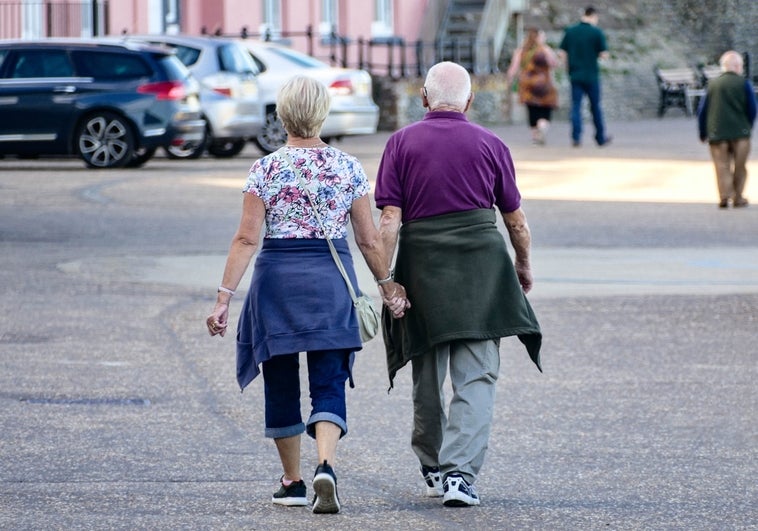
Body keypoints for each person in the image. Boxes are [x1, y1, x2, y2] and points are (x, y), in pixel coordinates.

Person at [205, 76, 409, 514]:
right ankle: (326, 467)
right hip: (330, 285)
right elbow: (369, 241)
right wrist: (387, 287)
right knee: (329, 382)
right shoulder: (349, 167)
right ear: (322, 114)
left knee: (280, 383)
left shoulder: (265, 168)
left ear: (282, 115)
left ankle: (293, 482)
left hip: (275, 286)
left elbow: (245, 239)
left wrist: (223, 297)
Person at [374, 61, 543, 508]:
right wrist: (522, 266)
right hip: (481, 271)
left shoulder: (401, 143)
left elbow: (389, 219)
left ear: (424, 99)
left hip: (422, 267)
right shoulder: (491, 143)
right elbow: (516, 221)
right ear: (469, 101)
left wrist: (386, 279)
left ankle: (433, 464)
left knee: (426, 373)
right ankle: (460, 477)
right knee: (477, 375)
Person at [697, 50, 756, 208]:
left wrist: (703, 132)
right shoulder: (744, 84)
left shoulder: (712, 85)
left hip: (717, 133)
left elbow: (702, 110)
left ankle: (724, 196)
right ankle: (738, 196)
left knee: (721, 165)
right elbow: (752, 108)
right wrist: (748, 126)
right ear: (737, 66)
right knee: (740, 166)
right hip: (740, 133)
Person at [559, 6, 612, 147]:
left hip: (575, 75)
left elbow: (562, 53)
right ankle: (600, 137)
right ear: (594, 16)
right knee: (595, 107)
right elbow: (604, 54)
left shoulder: (570, 31)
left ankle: (576, 137)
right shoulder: (596, 32)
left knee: (576, 106)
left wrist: (568, 68)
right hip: (591, 76)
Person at [506, 27, 560, 145]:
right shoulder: (545, 50)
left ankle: (535, 135)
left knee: (531, 109)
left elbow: (514, 68)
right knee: (546, 107)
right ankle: (542, 124)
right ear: (538, 37)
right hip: (544, 83)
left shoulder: (521, 51)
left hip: (527, 84)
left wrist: (510, 80)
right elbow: (554, 64)